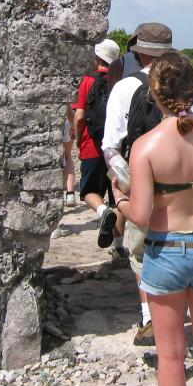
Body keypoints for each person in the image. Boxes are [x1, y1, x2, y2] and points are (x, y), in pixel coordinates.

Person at [111, 52, 193, 386]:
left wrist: (120, 200)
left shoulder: (146, 146)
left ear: (154, 93)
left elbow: (140, 216)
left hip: (166, 248)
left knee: (170, 354)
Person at [101, 22, 193, 346]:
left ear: (138, 52)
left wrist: (127, 182)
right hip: (187, 185)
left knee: (142, 250)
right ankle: (185, 309)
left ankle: (150, 314)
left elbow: (111, 146)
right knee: (183, 242)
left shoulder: (124, 88)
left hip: (142, 180)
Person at [72, 39, 126, 251]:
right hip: (116, 150)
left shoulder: (88, 80)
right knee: (117, 196)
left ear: (97, 58)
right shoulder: (121, 82)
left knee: (89, 191)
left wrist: (79, 139)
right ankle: (119, 247)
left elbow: (79, 116)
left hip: (92, 146)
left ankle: (103, 212)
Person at [62, 104, 77, 207]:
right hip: (66, 121)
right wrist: (74, 127)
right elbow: (70, 112)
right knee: (67, 156)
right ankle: (70, 194)